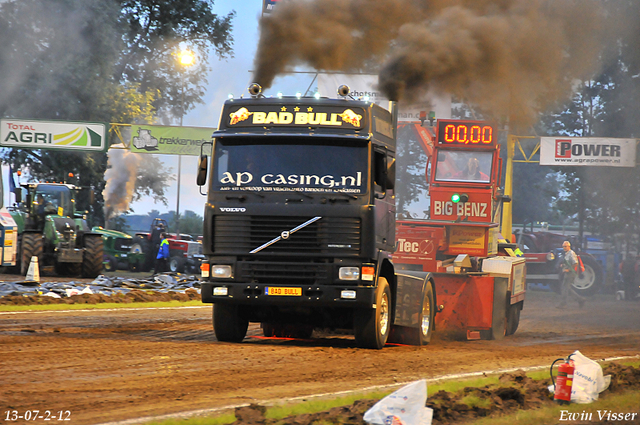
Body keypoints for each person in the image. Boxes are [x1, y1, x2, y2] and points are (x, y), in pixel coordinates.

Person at [558, 241, 586, 308]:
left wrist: (568, 269)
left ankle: (563, 303)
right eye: (563, 246)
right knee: (567, 288)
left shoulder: (571, 253)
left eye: (565, 246)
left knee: (565, 288)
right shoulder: (567, 254)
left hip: (570, 273)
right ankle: (580, 299)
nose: (564, 248)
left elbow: (575, 263)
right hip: (568, 273)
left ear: (569, 246)